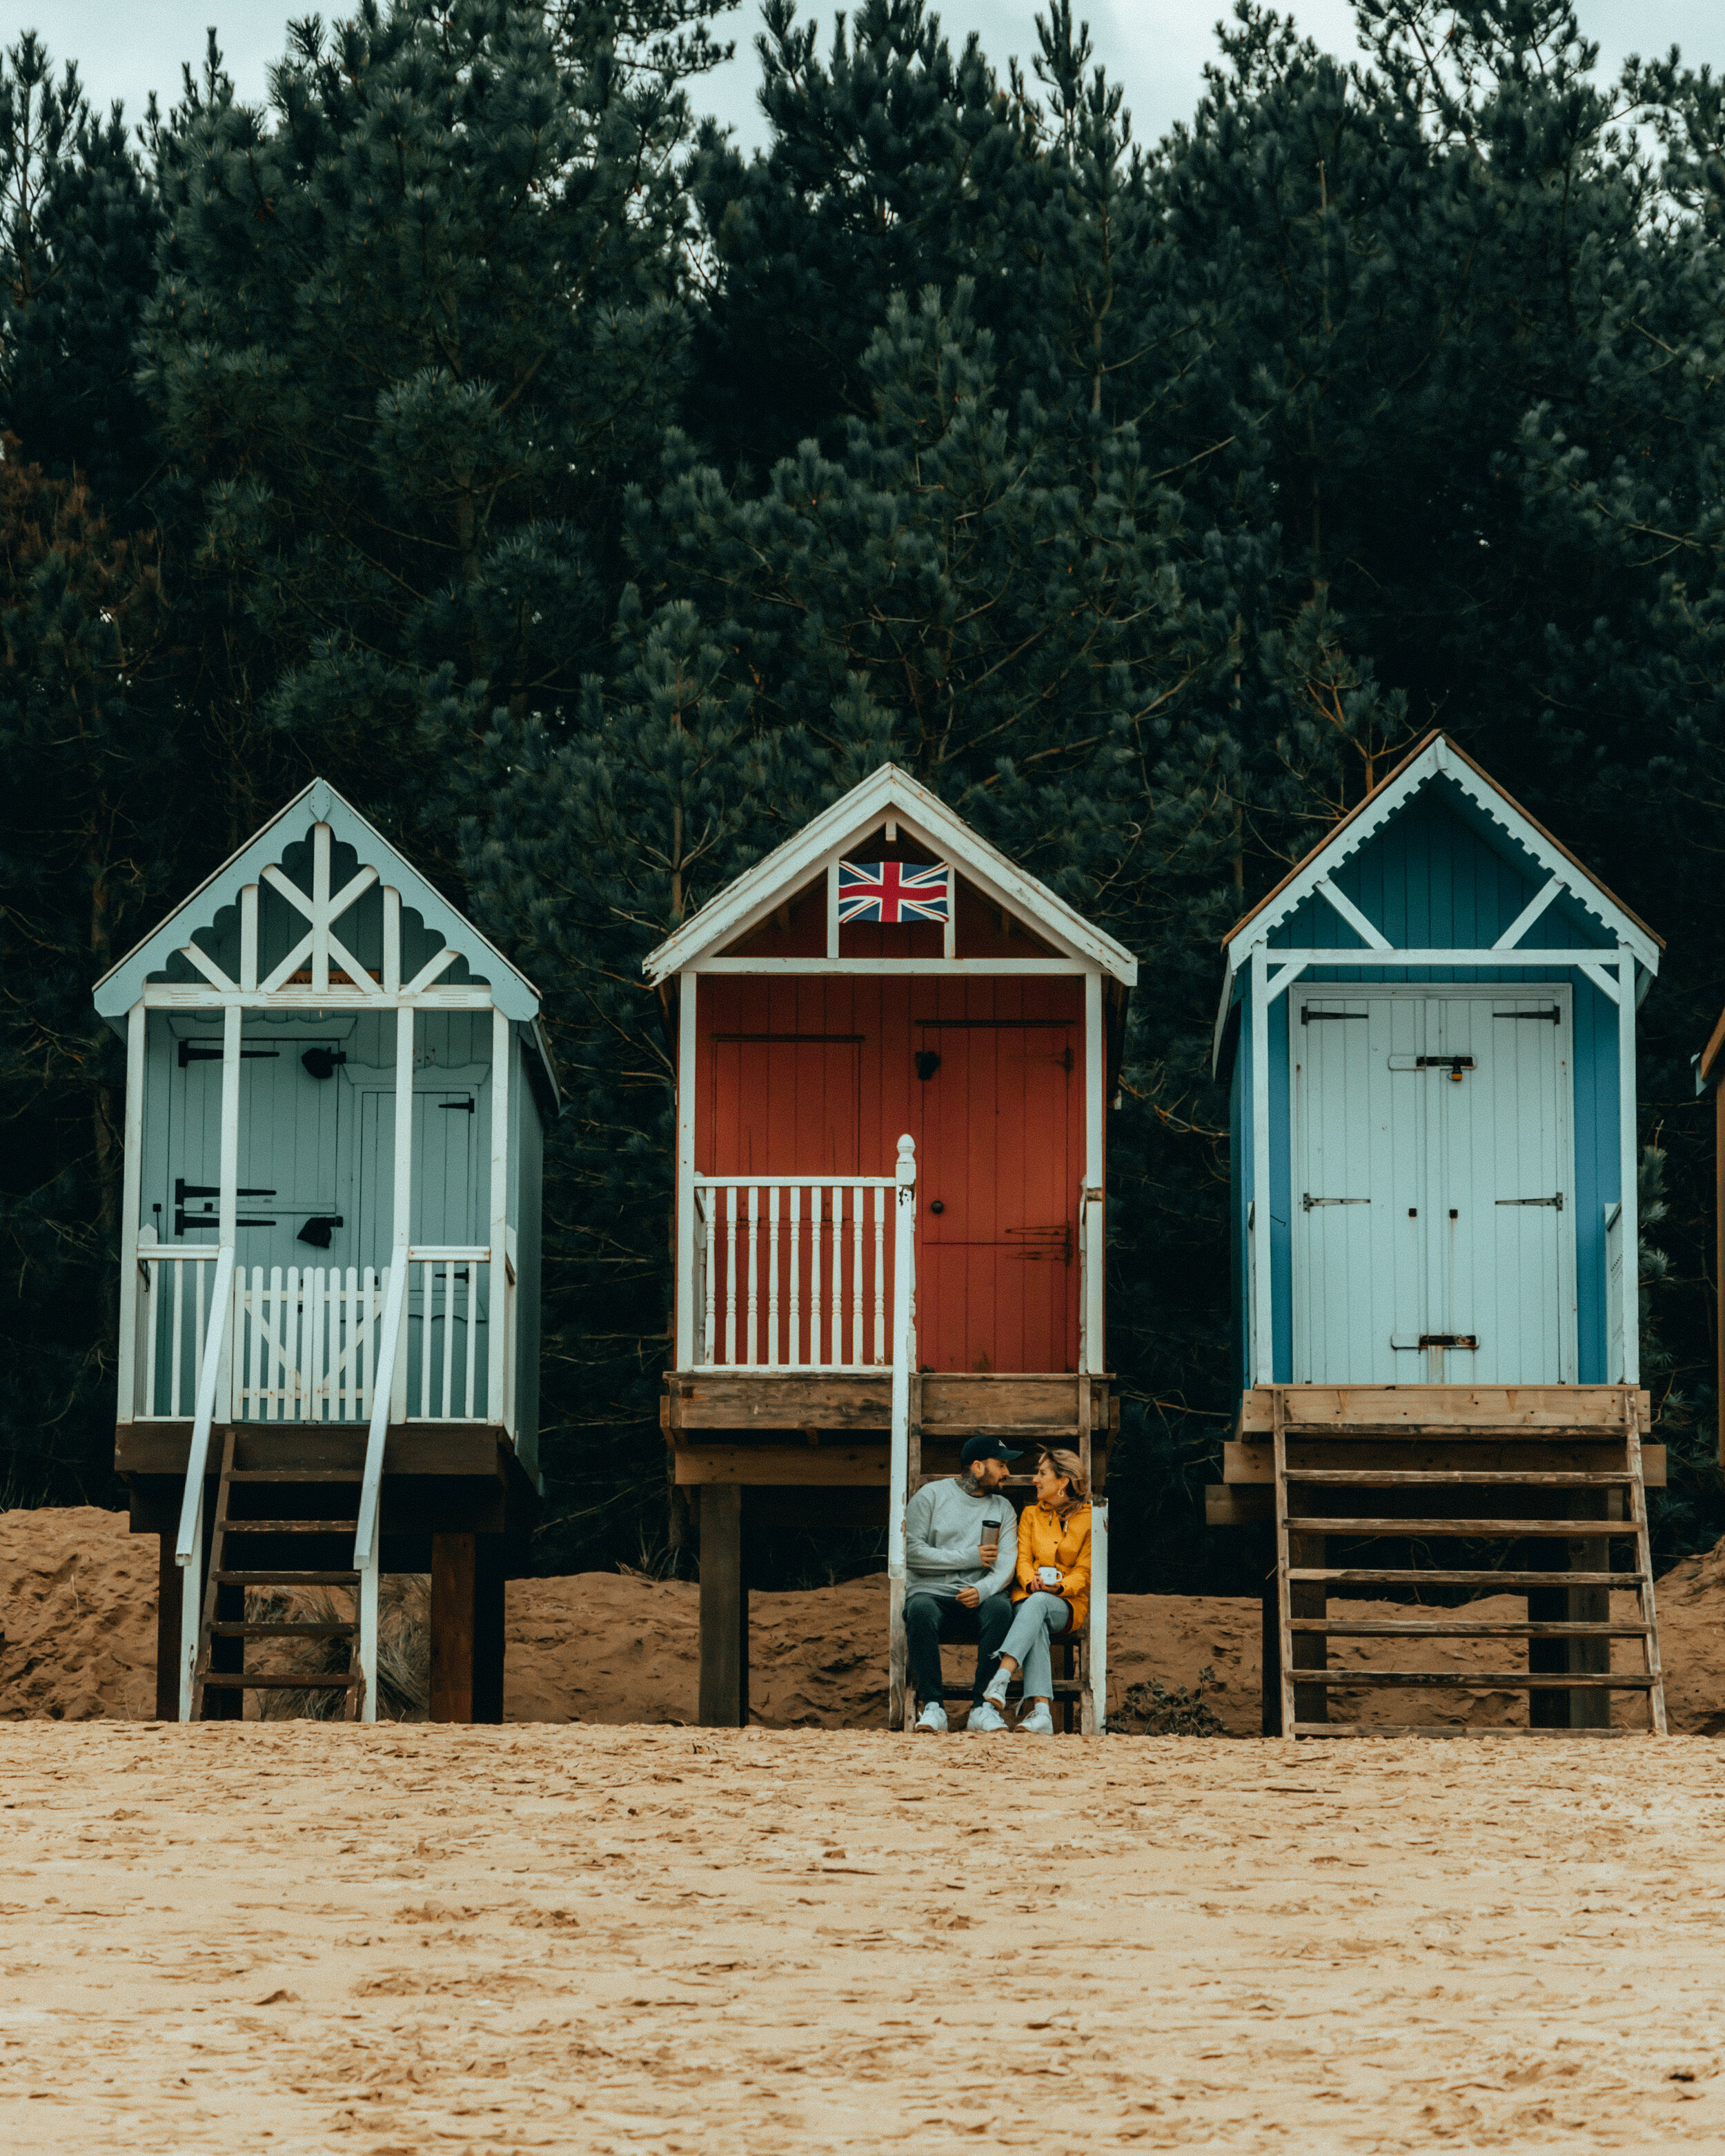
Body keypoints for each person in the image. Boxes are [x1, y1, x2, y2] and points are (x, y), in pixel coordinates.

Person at [903, 1436, 1021, 1732]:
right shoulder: (930, 1496)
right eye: (1002, 1465)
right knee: (918, 1609)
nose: (1007, 1473)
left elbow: (1006, 1565)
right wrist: (969, 1557)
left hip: (977, 1598)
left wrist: (982, 1590)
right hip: (931, 1594)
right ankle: (933, 1707)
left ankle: (982, 1709)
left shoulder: (1004, 1508)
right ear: (978, 1467)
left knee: (1001, 1608)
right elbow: (910, 1552)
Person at [978, 1447, 1092, 1735]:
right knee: (1036, 1614)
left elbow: (1085, 1571)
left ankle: (1001, 1677)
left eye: (1042, 1474)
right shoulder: (1030, 1515)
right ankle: (1042, 1713)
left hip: (1066, 1605)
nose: (1034, 1480)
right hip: (1029, 1598)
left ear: (1062, 1481)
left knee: (1041, 1605)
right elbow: (1022, 1560)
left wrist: (1061, 1586)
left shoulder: (1091, 1518)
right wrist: (1031, 1582)